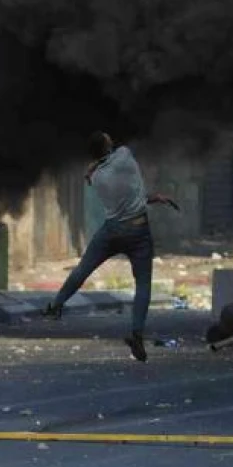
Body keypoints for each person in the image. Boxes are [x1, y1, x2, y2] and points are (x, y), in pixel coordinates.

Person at [41, 132, 178, 362]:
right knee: (143, 284)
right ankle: (137, 334)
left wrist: (154, 197)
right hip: (138, 231)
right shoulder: (124, 156)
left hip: (112, 230)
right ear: (107, 146)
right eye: (108, 139)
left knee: (83, 268)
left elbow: (131, 193)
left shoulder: (96, 178)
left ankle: (56, 305)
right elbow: (132, 191)